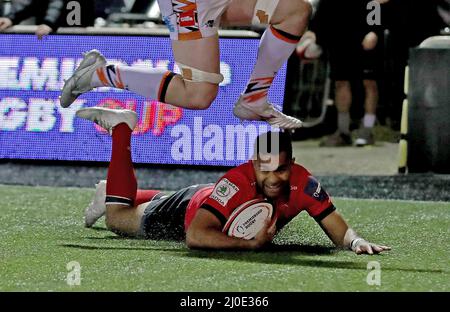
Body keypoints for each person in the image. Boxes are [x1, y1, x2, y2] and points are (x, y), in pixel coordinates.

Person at [78, 106, 390, 254]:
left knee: (200, 199)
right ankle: (121, 130)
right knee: (117, 220)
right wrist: (248, 244)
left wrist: (355, 242)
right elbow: (197, 237)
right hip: (185, 214)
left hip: (210, 198)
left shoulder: (303, 183)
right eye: (264, 169)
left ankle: (115, 190)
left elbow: (334, 223)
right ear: (253, 164)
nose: (272, 178)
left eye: (280, 170)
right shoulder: (238, 181)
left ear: (292, 165)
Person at [60, 0, 310, 129]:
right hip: (191, 4)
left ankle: (254, 99)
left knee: (294, 11)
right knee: (198, 95)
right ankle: (100, 74)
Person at [311, 0, 385, 146]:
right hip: (339, 38)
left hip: (365, 37)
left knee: (369, 82)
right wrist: (315, 36)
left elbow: (374, 4)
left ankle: (367, 130)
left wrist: (375, 31)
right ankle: (343, 132)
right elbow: (322, 12)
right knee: (341, 82)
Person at [0, 0, 95, 39]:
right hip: (47, 38)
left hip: (77, 38)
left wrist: (49, 23)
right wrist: (11, 18)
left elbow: (58, 4)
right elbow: (31, 3)